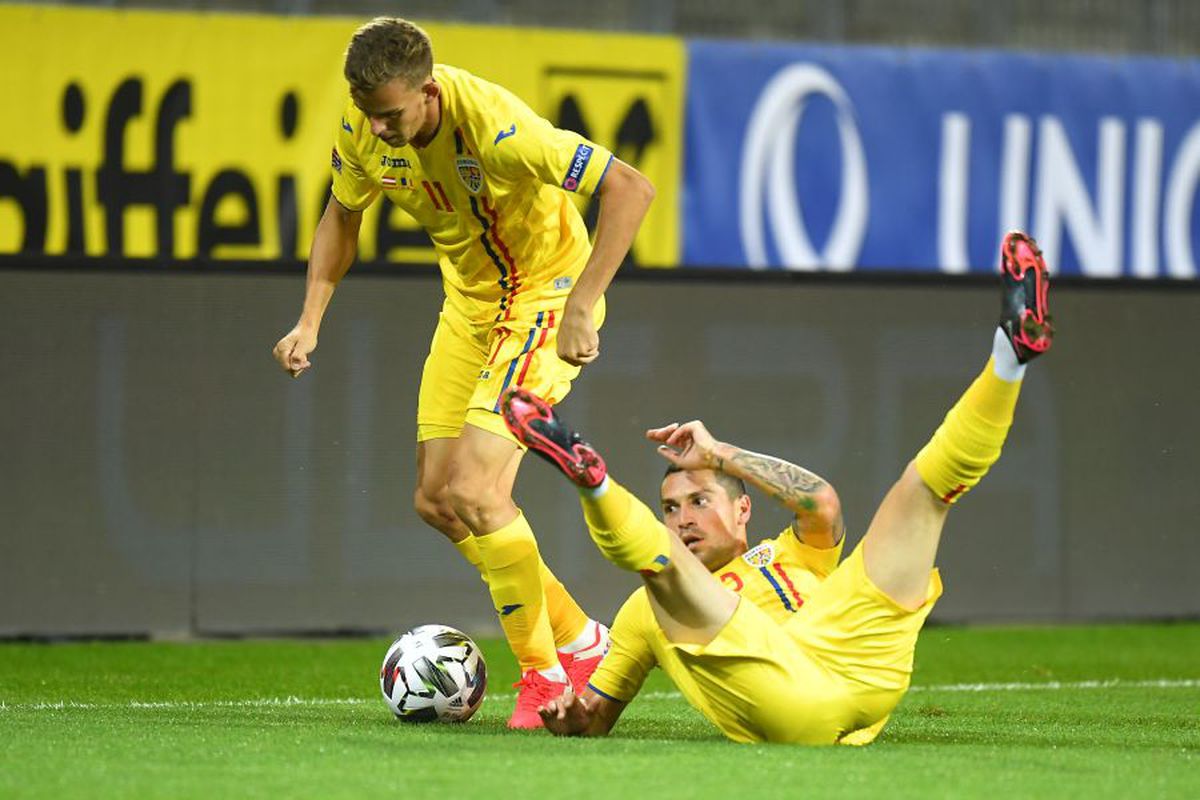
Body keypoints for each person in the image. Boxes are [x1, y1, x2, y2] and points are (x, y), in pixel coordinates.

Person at [501, 231, 1054, 744]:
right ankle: (594, 483)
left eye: (699, 501)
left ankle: (1009, 357)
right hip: (788, 697)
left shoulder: (792, 554)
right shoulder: (644, 614)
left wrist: (719, 454)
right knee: (662, 569)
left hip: (859, 658)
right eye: (670, 508)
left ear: (744, 509)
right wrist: (570, 717)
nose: (684, 518)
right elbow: (595, 715)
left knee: (926, 490)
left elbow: (821, 502)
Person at [270, 17, 656, 728]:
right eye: (369, 114)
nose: (380, 129)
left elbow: (630, 187)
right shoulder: (364, 130)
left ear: (428, 89)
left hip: (541, 297)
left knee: (477, 489)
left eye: (391, 114)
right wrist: (310, 319)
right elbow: (341, 216)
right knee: (438, 501)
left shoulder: (499, 129)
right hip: (470, 306)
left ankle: (544, 680)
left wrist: (583, 304)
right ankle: (581, 640)